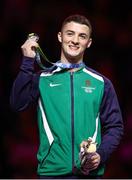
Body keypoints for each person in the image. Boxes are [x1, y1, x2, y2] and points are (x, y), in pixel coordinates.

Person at [10, 14, 124, 179]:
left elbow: (115, 127)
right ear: (60, 36)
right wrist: (28, 61)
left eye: (82, 36)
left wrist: (100, 154)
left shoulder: (101, 83)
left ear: (89, 42)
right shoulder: (42, 79)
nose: (75, 40)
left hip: (89, 175)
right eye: (70, 33)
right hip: (51, 174)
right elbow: (17, 104)